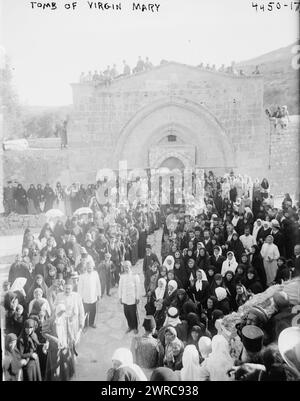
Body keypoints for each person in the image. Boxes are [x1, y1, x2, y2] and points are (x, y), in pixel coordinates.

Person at [42, 303, 76, 381]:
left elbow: (68, 329)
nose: (62, 314)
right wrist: (54, 339)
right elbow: (44, 333)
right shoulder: (50, 320)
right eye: (60, 312)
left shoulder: (65, 318)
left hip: (64, 344)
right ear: (57, 311)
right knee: (55, 365)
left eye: (63, 312)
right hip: (54, 347)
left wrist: (72, 338)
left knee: (64, 363)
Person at [77, 260, 101, 328]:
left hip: (93, 296)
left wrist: (99, 294)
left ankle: (91, 323)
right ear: (86, 268)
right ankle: (85, 324)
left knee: (93, 311)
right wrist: (80, 298)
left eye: (90, 268)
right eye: (88, 268)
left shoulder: (95, 273)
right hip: (85, 297)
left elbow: (98, 284)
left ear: (93, 267)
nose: (89, 269)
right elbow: (80, 288)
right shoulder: (82, 276)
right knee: (84, 311)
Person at [118, 260, 140, 334]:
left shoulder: (135, 275)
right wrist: (120, 297)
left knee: (133, 314)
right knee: (126, 313)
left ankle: (135, 327)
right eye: (124, 267)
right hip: (125, 299)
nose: (126, 268)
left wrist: (137, 298)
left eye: (127, 266)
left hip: (132, 298)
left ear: (130, 267)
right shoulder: (122, 276)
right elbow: (120, 287)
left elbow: (138, 287)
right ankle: (130, 326)